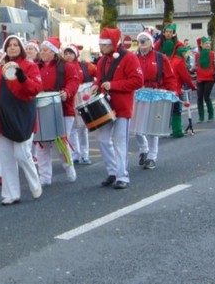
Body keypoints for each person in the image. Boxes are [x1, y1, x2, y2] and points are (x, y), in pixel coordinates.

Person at [0, 34, 43, 205]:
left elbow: (35, 89)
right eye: (9, 45)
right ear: (5, 49)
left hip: (23, 115)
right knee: (6, 156)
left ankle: (35, 184)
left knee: (22, 154)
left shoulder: (30, 66)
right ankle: (11, 193)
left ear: (21, 48)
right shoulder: (0, 68)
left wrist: (23, 78)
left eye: (16, 45)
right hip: (3, 116)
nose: (13, 48)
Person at [91, 27, 144, 189]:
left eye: (104, 44)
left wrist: (113, 85)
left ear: (113, 44)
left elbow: (137, 81)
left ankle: (123, 176)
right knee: (102, 139)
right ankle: (112, 171)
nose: (101, 47)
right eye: (100, 44)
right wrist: (96, 85)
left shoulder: (129, 58)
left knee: (120, 142)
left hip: (122, 106)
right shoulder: (102, 61)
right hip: (105, 107)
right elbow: (100, 80)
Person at [35, 37, 80, 186]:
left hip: (63, 108)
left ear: (54, 52)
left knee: (60, 142)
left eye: (46, 50)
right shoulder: (37, 67)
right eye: (41, 50)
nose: (42, 52)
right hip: (41, 108)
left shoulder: (66, 67)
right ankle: (44, 177)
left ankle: (69, 167)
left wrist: (67, 91)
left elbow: (74, 81)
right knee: (41, 144)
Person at [133, 31, 177, 170]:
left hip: (155, 93)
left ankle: (152, 156)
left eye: (146, 40)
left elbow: (169, 76)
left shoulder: (160, 58)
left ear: (152, 42)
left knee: (153, 127)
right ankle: (143, 149)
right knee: (136, 126)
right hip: (138, 93)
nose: (143, 43)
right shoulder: (133, 57)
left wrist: (170, 91)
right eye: (140, 41)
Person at [64, 44, 96, 165]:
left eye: (70, 53)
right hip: (70, 98)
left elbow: (98, 76)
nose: (67, 56)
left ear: (76, 54)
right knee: (72, 128)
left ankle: (85, 154)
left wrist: (93, 89)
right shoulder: (62, 67)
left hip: (83, 97)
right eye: (65, 53)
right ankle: (75, 154)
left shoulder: (86, 66)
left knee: (83, 128)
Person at [170, 45, 197, 138]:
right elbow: (186, 77)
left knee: (172, 110)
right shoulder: (180, 62)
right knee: (177, 110)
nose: (186, 55)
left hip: (170, 88)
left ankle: (174, 129)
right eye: (186, 53)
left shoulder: (174, 60)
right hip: (176, 89)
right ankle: (177, 131)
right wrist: (193, 86)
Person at [194, 37, 215, 122]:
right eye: (206, 43)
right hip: (200, 78)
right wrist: (191, 70)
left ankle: (211, 115)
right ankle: (201, 117)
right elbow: (195, 66)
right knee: (199, 97)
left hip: (209, 78)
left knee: (206, 97)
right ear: (201, 45)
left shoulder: (212, 54)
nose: (208, 45)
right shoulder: (197, 55)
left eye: (208, 43)